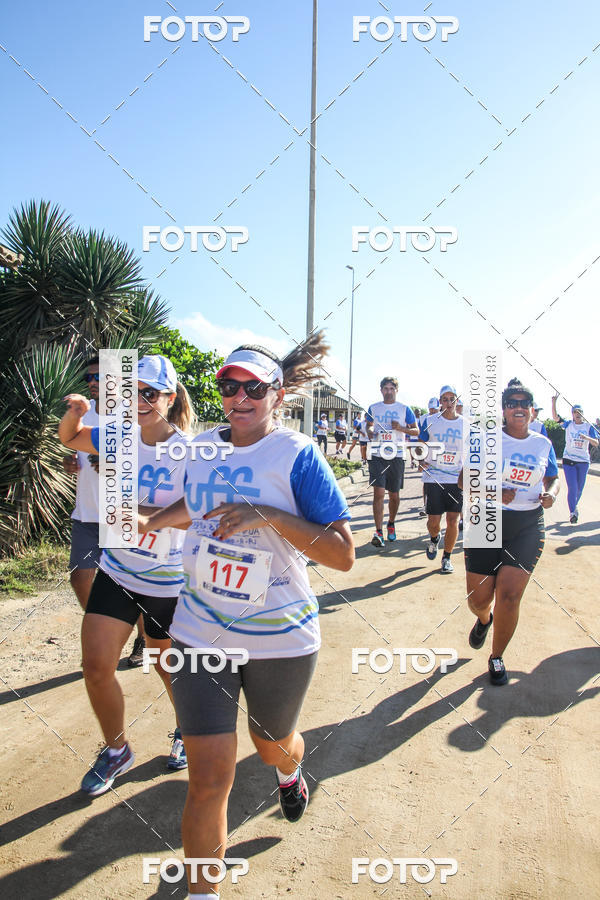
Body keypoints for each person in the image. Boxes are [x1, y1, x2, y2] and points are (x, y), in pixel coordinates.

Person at [135, 335, 354, 898]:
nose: (240, 398)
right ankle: (203, 892)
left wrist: (268, 515)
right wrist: (154, 521)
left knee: (270, 741)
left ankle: (288, 770)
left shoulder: (296, 455)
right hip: (198, 630)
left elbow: (342, 554)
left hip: (279, 634)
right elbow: (196, 505)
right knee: (209, 777)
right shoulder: (203, 447)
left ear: (277, 394)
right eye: (230, 387)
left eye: (254, 388)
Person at [58, 355, 195, 794]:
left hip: (167, 581)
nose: (138, 400)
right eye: (131, 391)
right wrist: (75, 412)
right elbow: (71, 438)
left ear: (170, 398)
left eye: (149, 393)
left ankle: (187, 730)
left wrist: (146, 517)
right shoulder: (118, 436)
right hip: (118, 571)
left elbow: (200, 511)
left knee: (165, 664)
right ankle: (117, 750)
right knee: (96, 667)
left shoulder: (190, 452)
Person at [461, 379, 559, 686]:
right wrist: (494, 493)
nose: (519, 408)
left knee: (510, 595)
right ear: (503, 410)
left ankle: (497, 656)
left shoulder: (543, 444)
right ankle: (484, 619)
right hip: (486, 521)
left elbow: (553, 478)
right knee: (479, 600)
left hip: (527, 525)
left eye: (524, 403)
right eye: (512, 403)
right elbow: (464, 481)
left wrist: (552, 494)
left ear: (532, 410)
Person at [63, 355, 146, 667]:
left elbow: (146, 458)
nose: (93, 383)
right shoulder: (83, 414)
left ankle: (142, 638)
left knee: (132, 584)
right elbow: (73, 449)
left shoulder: (132, 415)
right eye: (89, 378)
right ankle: (106, 631)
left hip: (121, 515)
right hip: (86, 513)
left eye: (99, 377)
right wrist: (69, 462)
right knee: (79, 577)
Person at [366, 377, 418, 547]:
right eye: (385, 388)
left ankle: (391, 523)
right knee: (378, 493)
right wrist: (370, 431)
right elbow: (369, 425)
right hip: (377, 454)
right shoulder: (373, 408)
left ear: (396, 390)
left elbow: (416, 430)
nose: (388, 392)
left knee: (393, 495)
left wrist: (400, 428)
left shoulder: (404, 409)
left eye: (391, 388)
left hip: (396, 455)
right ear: (381, 390)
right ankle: (378, 532)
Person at [419, 386, 463, 573]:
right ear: (440, 402)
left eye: (452, 399)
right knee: (433, 523)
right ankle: (434, 538)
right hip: (434, 477)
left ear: (457, 401)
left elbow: (473, 450)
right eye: (445, 399)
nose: (449, 402)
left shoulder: (466, 424)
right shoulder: (430, 421)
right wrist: (421, 459)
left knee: (453, 520)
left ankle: (447, 557)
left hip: (456, 479)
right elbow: (421, 443)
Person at [551, 395, 598, 523]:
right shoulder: (568, 424)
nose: (578, 414)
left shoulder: (588, 427)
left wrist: (586, 438)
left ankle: (574, 505)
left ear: (583, 414)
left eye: (580, 412)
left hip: (583, 461)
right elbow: (555, 418)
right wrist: (554, 402)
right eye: (575, 412)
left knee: (579, 488)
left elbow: (596, 443)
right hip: (569, 459)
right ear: (572, 414)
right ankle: (572, 512)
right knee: (572, 487)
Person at [416, 398, 440, 512]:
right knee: (427, 481)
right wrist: (420, 460)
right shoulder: (423, 419)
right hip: (428, 454)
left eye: (434, 410)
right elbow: (420, 441)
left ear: (439, 408)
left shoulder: (444, 418)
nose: (432, 412)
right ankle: (425, 505)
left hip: (442, 454)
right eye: (430, 409)